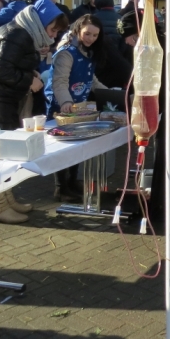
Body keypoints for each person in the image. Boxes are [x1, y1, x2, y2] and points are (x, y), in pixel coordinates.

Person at [0, 0, 69, 222]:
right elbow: (0, 70)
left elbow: (8, 66)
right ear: (41, 22)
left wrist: (31, 75)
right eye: (53, 29)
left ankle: (6, 199)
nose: (54, 35)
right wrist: (29, 80)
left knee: (3, 154)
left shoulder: (20, 32)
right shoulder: (17, 34)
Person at [44, 14, 108, 200]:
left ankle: (72, 182)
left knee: (76, 146)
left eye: (95, 35)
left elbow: (92, 80)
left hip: (79, 109)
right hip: (60, 110)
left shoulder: (88, 53)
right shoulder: (66, 53)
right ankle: (61, 187)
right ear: (78, 31)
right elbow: (59, 82)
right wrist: (65, 102)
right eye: (87, 34)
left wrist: (111, 92)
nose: (91, 39)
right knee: (62, 148)